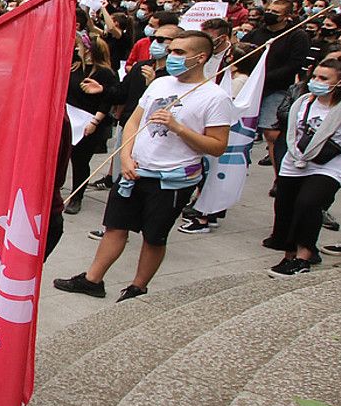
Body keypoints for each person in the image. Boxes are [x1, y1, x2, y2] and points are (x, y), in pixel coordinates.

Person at [55, 31, 236, 301]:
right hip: (134, 171)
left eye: (178, 53)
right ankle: (93, 279)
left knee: (154, 237)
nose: (170, 56)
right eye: (170, 50)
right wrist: (126, 157)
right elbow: (133, 123)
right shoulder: (160, 85)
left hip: (171, 179)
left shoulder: (214, 97)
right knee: (115, 227)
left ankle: (138, 287)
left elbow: (217, 145)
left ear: (200, 58)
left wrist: (178, 128)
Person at [267, 55, 341, 276]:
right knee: (286, 207)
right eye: (314, 76)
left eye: (324, 78)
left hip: (329, 166)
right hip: (295, 161)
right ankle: (289, 254)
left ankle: (303, 256)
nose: (315, 81)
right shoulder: (303, 101)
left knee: (308, 204)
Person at [244, 0, 312, 175]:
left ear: (287, 17)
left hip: (277, 88)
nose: (270, 14)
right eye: (268, 10)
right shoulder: (257, 33)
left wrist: (266, 78)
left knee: (271, 132)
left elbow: (295, 64)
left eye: (275, 12)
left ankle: (280, 176)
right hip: (250, 88)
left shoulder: (296, 36)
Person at [65, 32, 120, 214]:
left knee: (80, 161)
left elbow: (109, 99)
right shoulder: (75, 66)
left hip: (88, 123)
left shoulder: (105, 73)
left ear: (89, 51)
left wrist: (95, 121)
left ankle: (76, 196)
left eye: (79, 47)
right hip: (69, 120)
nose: (76, 49)